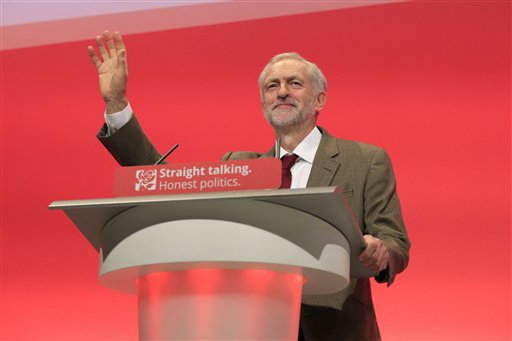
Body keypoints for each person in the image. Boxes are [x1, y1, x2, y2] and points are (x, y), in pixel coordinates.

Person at [89, 31, 410, 340]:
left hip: (336, 329)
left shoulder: (365, 160)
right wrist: (117, 104)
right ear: (263, 103)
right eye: (272, 86)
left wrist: (382, 254)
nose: (282, 91)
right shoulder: (239, 166)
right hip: (249, 324)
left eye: (294, 83)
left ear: (319, 100)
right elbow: (167, 186)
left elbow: (395, 242)